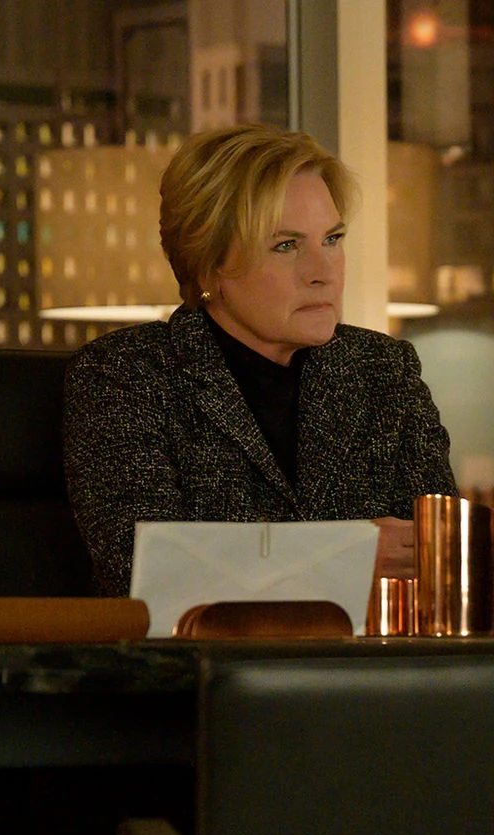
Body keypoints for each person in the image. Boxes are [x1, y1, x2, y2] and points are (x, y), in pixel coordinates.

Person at [63, 123, 457, 597]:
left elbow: (440, 556)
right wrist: (342, 556)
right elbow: (144, 567)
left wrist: (481, 551)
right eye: (286, 245)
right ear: (208, 265)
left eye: (332, 239)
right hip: (199, 648)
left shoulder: (382, 368)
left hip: (369, 646)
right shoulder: (125, 374)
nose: (323, 272)